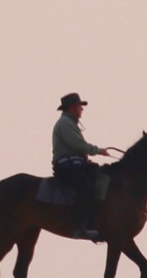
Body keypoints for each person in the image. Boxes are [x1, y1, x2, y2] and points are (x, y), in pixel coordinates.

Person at [51, 93, 120, 241]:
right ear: (72, 107)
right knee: (87, 188)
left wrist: (85, 159)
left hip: (73, 164)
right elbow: (78, 145)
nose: (81, 109)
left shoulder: (70, 123)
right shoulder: (65, 123)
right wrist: (98, 151)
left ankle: (93, 223)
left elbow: (77, 148)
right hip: (67, 167)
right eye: (79, 106)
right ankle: (80, 228)